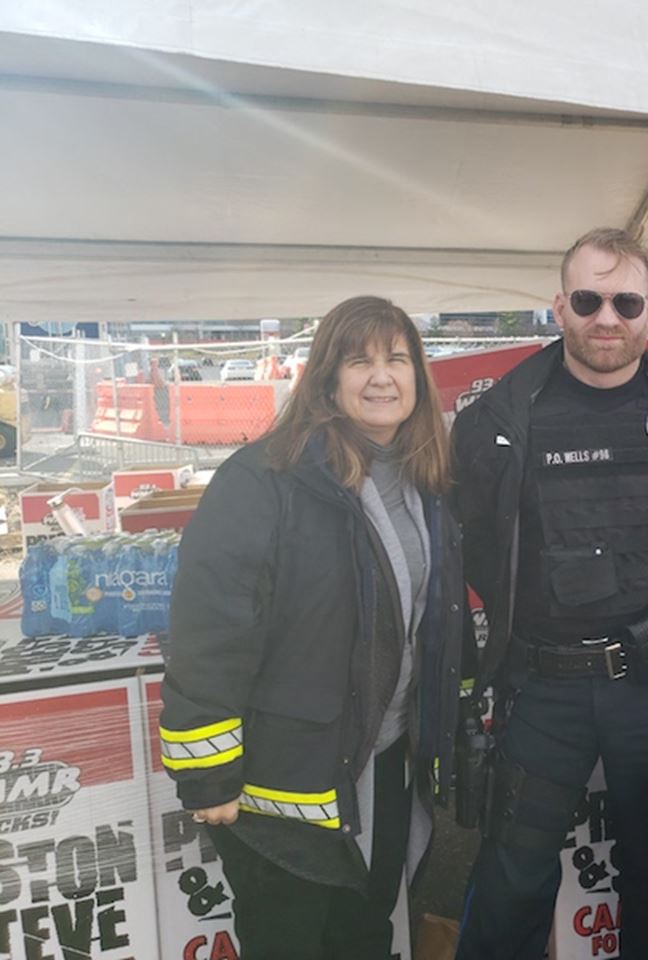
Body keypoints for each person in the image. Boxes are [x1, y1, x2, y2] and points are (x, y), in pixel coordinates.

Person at [451, 227, 648, 959]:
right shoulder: (499, 419)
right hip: (541, 688)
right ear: (559, 308)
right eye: (588, 301)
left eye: (625, 302)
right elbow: (474, 540)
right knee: (512, 875)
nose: (606, 318)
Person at [160, 296, 469, 959]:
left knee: (366, 936)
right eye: (359, 361)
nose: (381, 377)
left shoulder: (425, 481)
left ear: (418, 376)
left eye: (397, 359)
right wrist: (208, 774)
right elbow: (209, 631)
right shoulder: (264, 480)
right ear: (327, 380)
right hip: (285, 784)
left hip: (382, 767)